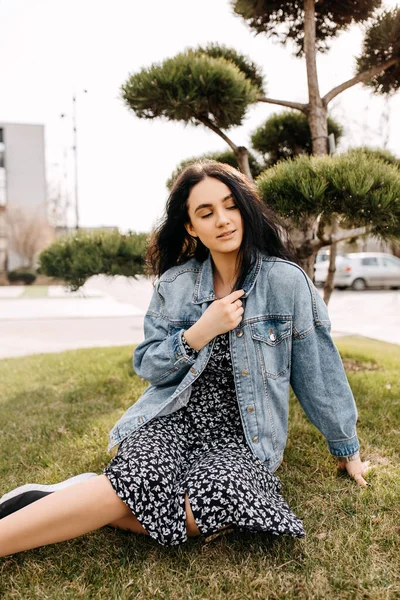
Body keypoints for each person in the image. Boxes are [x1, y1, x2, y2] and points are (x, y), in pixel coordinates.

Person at [0, 160, 371, 557]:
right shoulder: (175, 285)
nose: (223, 221)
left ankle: (84, 496)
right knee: (141, 477)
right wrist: (199, 332)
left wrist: (346, 447)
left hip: (243, 435)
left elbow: (319, 370)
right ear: (191, 226)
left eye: (230, 206)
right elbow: (148, 365)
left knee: (218, 501)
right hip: (174, 416)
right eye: (206, 212)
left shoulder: (285, 282)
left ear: (245, 209)